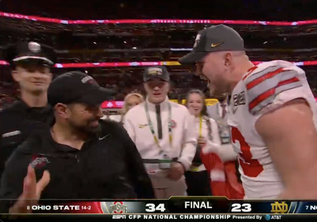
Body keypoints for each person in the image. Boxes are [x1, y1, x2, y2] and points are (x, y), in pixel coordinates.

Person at [179, 25, 317, 199]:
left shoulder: (266, 87)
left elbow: (307, 195)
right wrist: (221, 151)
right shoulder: (240, 92)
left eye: (200, 64)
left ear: (227, 60)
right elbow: (259, 150)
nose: (197, 72)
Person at [0, 71, 155, 213]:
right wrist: (19, 210)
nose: (100, 113)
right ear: (62, 110)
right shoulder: (29, 154)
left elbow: (141, 183)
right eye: (90, 108)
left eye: (99, 105)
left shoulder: (114, 133)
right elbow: (9, 210)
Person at [123, 66, 197, 199]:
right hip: (144, 178)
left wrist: (183, 164)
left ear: (168, 85)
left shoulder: (182, 112)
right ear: (145, 86)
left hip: (175, 175)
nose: (156, 88)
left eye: (160, 84)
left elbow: (190, 141)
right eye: (151, 84)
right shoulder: (132, 115)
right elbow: (127, 149)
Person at [0, 42, 57, 178]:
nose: (37, 76)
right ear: (16, 74)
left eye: (42, 71)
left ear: (50, 76)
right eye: (30, 70)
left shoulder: (65, 119)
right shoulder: (3, 120)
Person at [184, 89, 220, 196]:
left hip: (204, 171)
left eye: (198, 102)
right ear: (186, 104)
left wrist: (208, 144)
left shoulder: (210, 122)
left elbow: (218, 148)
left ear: (203, 104)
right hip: (184, 171)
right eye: (191, 102)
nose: (195, 105)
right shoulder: (180, 122)